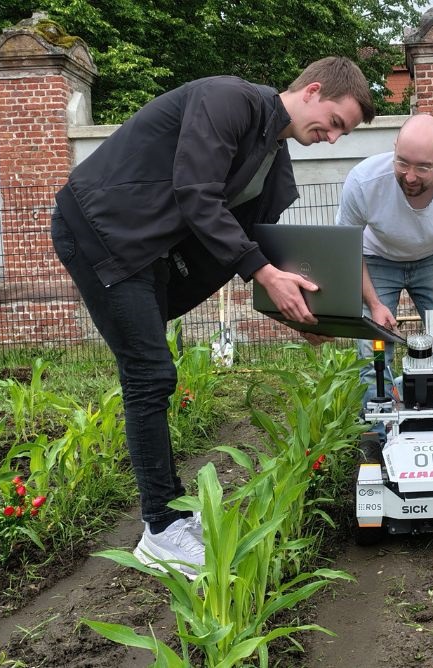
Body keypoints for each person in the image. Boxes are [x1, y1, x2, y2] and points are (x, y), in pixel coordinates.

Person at [50, 57, 375, 578]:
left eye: (344, 133)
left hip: (149, 252)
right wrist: (265, 274)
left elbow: (254, 247)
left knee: (151, 375)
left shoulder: (274, 160)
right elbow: (195, 192)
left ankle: (172, 517)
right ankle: (161, 529)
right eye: (336, 122)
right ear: (313, 90)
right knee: (149, 375)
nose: (333, 138)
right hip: (102, 232)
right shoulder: (229, 99)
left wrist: (301, 317)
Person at [335, 114, 433, 400]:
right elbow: (347, 247)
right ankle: (379, 423)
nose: (410, 176)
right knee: (374, 348)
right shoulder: (364, 180)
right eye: (402, 162)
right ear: (394, 148)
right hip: (375, 257)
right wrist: (374, 304)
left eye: (423, 167)